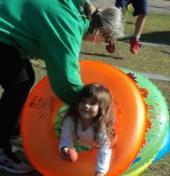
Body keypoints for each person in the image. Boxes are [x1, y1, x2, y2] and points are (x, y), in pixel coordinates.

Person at [0, 0, 123, 174]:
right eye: (107, 41)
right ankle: (1, 149)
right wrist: (94, 107)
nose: (104, 44)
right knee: (18, 83)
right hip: (3, 31)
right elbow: (66, 79)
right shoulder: (69, 24)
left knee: (23, 79)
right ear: (103, 31)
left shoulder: (77, 9)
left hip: (8, 31)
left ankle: (12, 132)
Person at [59, 83, 116, 176]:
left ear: (101, 108)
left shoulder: (101, 128)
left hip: (92, 144)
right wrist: (65, 147)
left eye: (93, 103)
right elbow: (65, 136)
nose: (86, 106)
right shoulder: (71, 120)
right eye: (83, 101)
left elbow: (104, 150)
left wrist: (100, 172)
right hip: (80, 141)